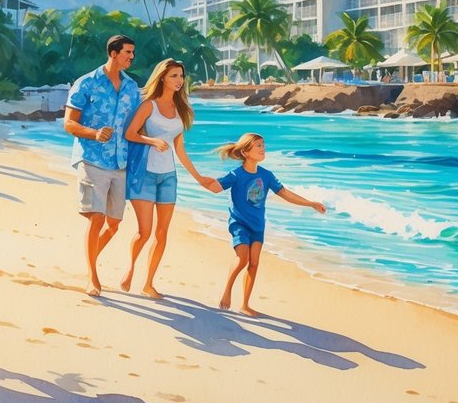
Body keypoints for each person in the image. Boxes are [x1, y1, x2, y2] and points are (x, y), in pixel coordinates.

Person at [121, 58, 217, 299]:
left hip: (168, 177)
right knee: (144, 232)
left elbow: (180, 150)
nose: (179, 81)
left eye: (181, 76)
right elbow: (130, 133)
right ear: (162, 77)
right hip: (144, 175)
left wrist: (198, 177)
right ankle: (131, 268)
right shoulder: (148, 106)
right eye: (174, 76)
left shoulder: (180, 110)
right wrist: (152, 140)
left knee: (162, 233)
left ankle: (148, 283)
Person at [209, 132, 326, 316]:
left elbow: (285, 193)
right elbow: (214, 187)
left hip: (257, 226)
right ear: (246, 152)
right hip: (239, 223)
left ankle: (245, 305)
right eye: (258, 146)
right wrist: (196, 176)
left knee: (254, 263)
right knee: (243, 259)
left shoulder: (267, 175)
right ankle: (227, 291)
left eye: (263, 145)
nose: (263, 149)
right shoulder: (236, 175)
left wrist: (310, 203)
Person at [64, 35, 140, 297]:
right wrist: (94, 133)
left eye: (132, 53)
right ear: (114, 52)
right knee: (95, 218)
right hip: (92, 159)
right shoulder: (86, 83)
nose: (131, 57)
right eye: (128, 52)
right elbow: (69, 124)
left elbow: (138, 124)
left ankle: (89, 259)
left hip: (121, 163)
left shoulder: (132, 88)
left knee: (115, 223)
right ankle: (92, 277)